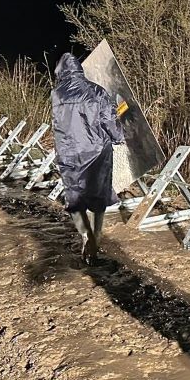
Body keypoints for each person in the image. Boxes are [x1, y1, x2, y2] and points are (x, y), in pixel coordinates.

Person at [51, 53, 125, 262]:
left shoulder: (56, 94)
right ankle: (97, 236)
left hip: (68, 153)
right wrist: (118, 137)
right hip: (96, 151)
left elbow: (58, 124)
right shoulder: (96, 91)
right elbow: (109, 119)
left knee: (75, 197)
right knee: (98, 195)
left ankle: (85, 235)